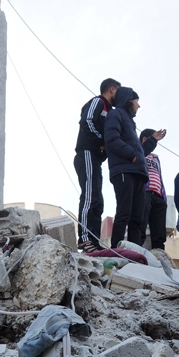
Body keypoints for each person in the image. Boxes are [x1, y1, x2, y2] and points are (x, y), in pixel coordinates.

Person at [104, 87, 165, 248]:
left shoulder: (131, 124)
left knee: (137, 218)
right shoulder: (115, 114)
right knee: (124, 212)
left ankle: (134, 252)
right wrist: (131, 154)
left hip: (138, 174)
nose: (139, 105)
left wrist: (153, 140)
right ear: (129, 100)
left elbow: (141, 153)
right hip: (124, 171)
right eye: (137, 101)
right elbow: (111, 139)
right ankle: (117, 249)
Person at [73, 78, 119, 252]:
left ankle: (94, 240)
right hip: (86, 153)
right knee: (89, 196)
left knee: (98, 200)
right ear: (112, 89)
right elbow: (87, 121)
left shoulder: (111, 111)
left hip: (96, 159)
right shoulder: (98, 102)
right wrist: (100, 142)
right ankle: (84, 238)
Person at [140, 128, 169, 252]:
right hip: (144, 192)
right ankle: (136, 250)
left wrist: (163, 196)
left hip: (158, 195)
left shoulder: (156, 158)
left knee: (159, 229)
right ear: (145, 139)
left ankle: (159, 253)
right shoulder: (138, 152)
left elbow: (159, 175)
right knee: (140, 224)